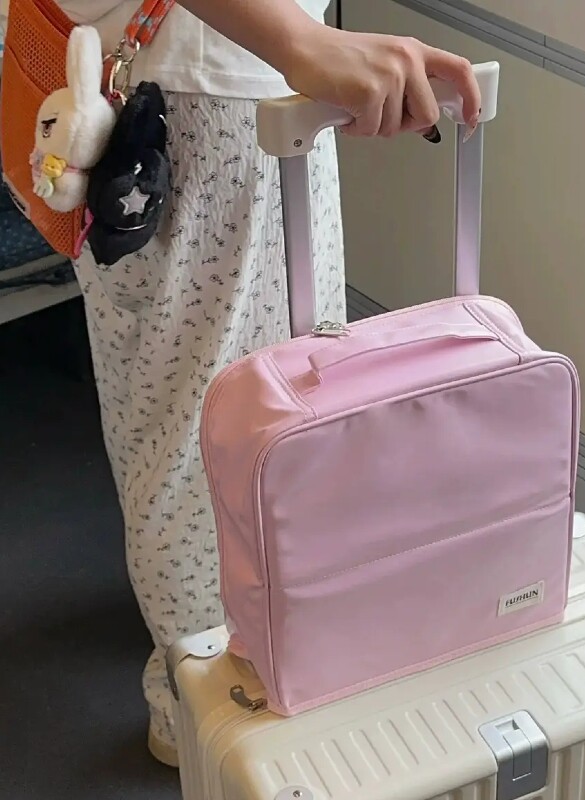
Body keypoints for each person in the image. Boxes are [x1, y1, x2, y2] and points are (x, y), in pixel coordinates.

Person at [55, 0, 481, 767]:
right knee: (225, 444)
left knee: (182, 422)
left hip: (158, 76)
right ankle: (207, 718)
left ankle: (199, 681)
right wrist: (300, 40)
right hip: (214, 91)